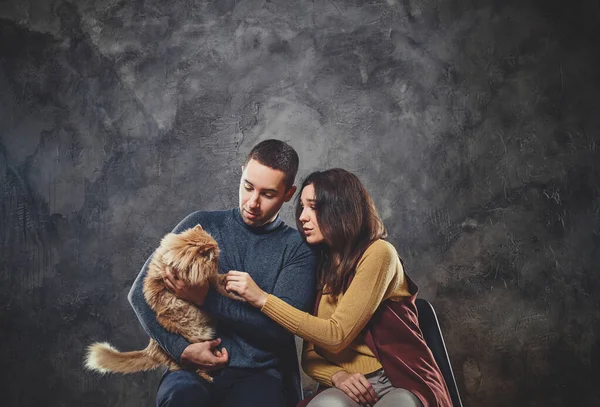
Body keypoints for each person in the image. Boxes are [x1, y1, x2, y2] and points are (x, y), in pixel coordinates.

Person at [221, 168, 453, 407]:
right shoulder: (319, 263)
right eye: (302, 206)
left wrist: (262, 299)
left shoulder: (380, 254)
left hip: (399, 380)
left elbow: (336, 336)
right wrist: (337, 376)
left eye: (314, 207)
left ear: (341, 210)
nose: (302, 216)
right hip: (347, 384)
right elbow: (310, 356)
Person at [127, 139, 317, 407]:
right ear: (241, 173)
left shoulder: (297, 249)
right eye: (248, 187)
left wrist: (206, 298)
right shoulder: (200, 224)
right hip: (192, 370)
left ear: (288, 193)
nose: (252, 202)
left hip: (259, 374)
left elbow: (278, 332)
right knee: (181, 398)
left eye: (268, 194)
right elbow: (139, 295)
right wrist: (181, 350)